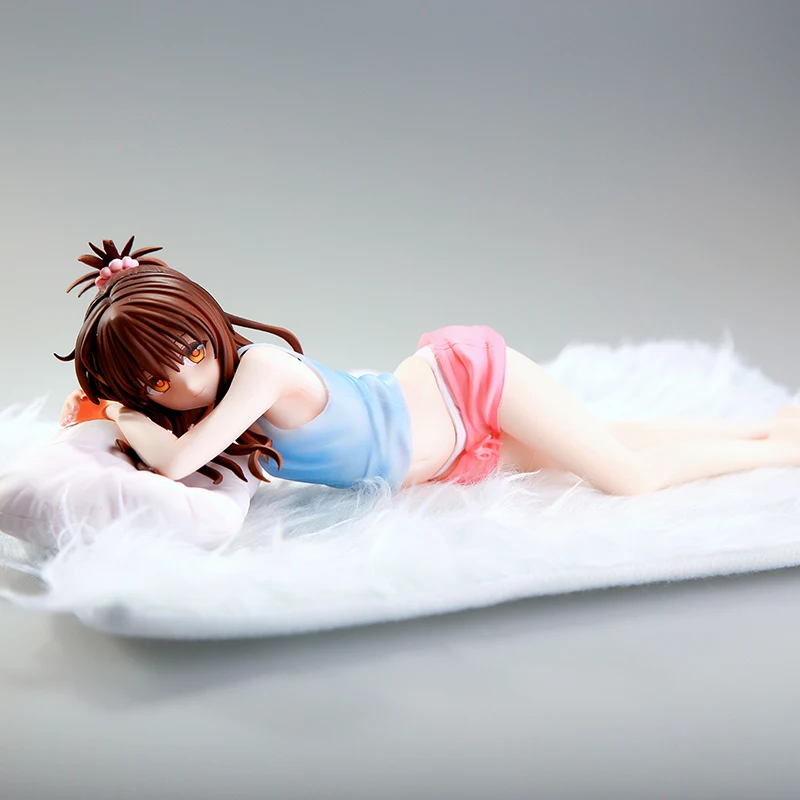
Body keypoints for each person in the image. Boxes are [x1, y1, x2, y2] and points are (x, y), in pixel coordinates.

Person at [59, 237, 800, 497]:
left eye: (195, 351)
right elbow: (178, 452)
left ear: (212, 324)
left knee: (624, 477)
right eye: (160, 382)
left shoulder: (262, 370)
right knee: (596, 445)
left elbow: (175, 463)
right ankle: (760, 429)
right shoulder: (208, 409)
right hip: (447, 451)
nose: (191, 383)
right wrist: (126, 408)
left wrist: (122, 411)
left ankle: (778, 451)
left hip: (464, 385)